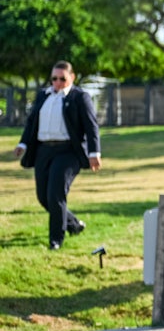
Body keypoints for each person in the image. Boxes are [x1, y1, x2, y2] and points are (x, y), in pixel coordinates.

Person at [13, 61, 102, 250]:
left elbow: (91, 126)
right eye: (54, 78)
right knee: (43, 197)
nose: (58, 82)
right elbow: (32, 122)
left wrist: (94, 153)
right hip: (43, 150)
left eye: (62, 78)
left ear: (72, 77)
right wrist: (23, 143)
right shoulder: (43, 95)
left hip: (68, 152)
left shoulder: (79, 97)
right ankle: (74, 225)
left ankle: (56, 240)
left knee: (56, 194)